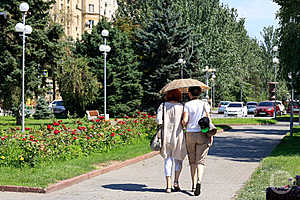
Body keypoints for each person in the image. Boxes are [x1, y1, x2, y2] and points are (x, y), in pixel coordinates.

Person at [182, 86, 215, 196]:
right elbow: (208, 118)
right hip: (203, 133)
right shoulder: (205, 104)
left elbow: (185, 121)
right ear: (200, 93)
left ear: (190, 94)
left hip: (190, 134)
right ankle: (199, 182)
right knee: (200, 161)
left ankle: (193, 184)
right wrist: (210, 135)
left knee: (192, 161)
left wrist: (183, 123)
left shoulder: (187, 105)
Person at [156, 89, 187, 193]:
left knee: (167, 159)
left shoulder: (163, 105)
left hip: (166, 135)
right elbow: (184, 122)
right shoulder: (182, 106)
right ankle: (176, 182)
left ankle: (168, 185)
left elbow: (158, 120)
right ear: (178, 95)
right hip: (178, 135)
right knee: (179, 159)